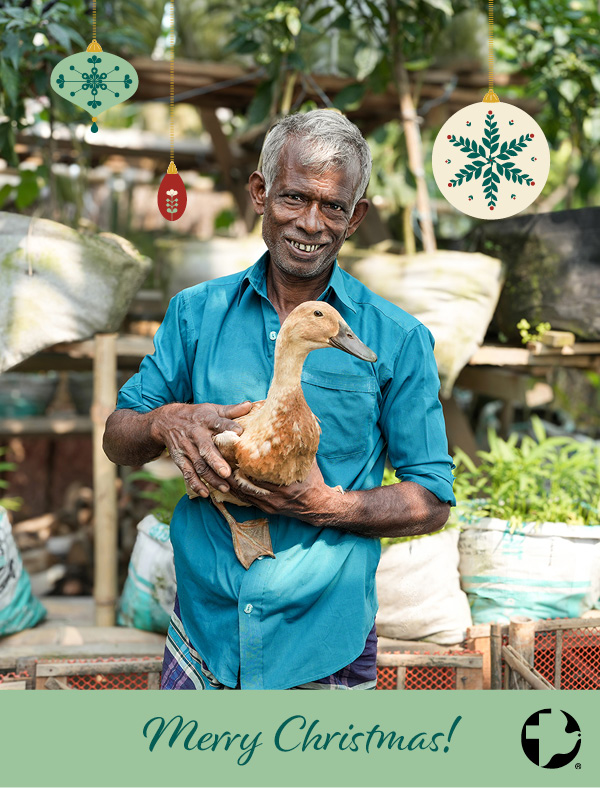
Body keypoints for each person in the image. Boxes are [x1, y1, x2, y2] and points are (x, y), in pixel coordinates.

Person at [103, 109, 456, 690]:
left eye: (333, 206)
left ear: (356, 216)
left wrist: (324, 506)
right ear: (260, 194)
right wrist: (165, 421)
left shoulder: (396, 339)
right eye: (294, 198)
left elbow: (432, 499)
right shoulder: (195, 314)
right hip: (205, 628)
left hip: (325, 635)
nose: (312, 223)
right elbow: (118, 437)